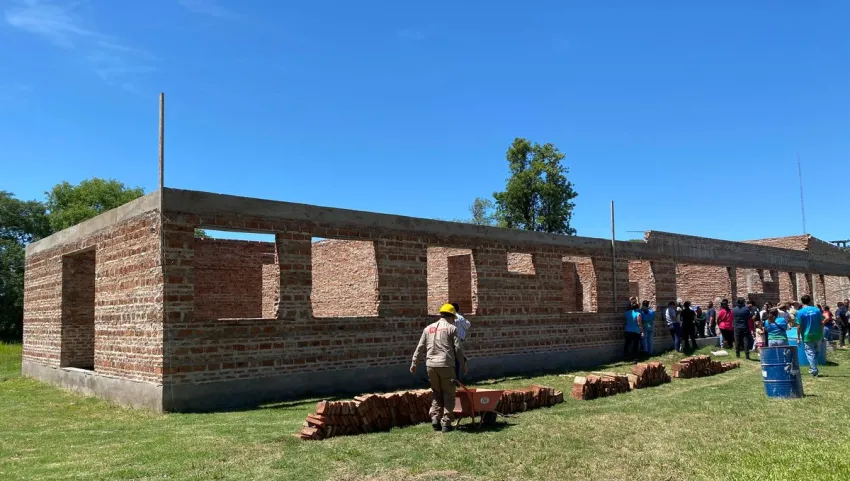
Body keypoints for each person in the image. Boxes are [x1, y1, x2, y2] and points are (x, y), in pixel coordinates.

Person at [410, 303, 467, 432]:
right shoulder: (452, 329)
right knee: (449, 393)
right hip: (446, 365)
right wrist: (463, 364)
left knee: (436, 392)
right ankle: (446, 423)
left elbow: (420, 348)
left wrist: (414, 363)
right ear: (452, 316)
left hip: (430, 365)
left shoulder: (428, 328)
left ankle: (435, 417)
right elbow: (458, 348)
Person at [796, 294, 823, 377]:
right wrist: (822, 334)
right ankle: (813, 367)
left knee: (810, 353)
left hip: (807, 335)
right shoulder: (817, 310)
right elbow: (821, 323)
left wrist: (798, 337)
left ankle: (814, 369)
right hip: (817, 334)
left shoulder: (800, 312)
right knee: (817, 351)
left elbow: (799, 326)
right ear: (810, 300)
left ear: (801, 302)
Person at [451, 303, 471, 380]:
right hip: (458, 340)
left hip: (450, 340)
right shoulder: (460, 317)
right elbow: (467, 325)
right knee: (457, 359)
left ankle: (454, 378)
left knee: (454, 359)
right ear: (458, 309)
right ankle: (456, 378)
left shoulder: (447, 318)